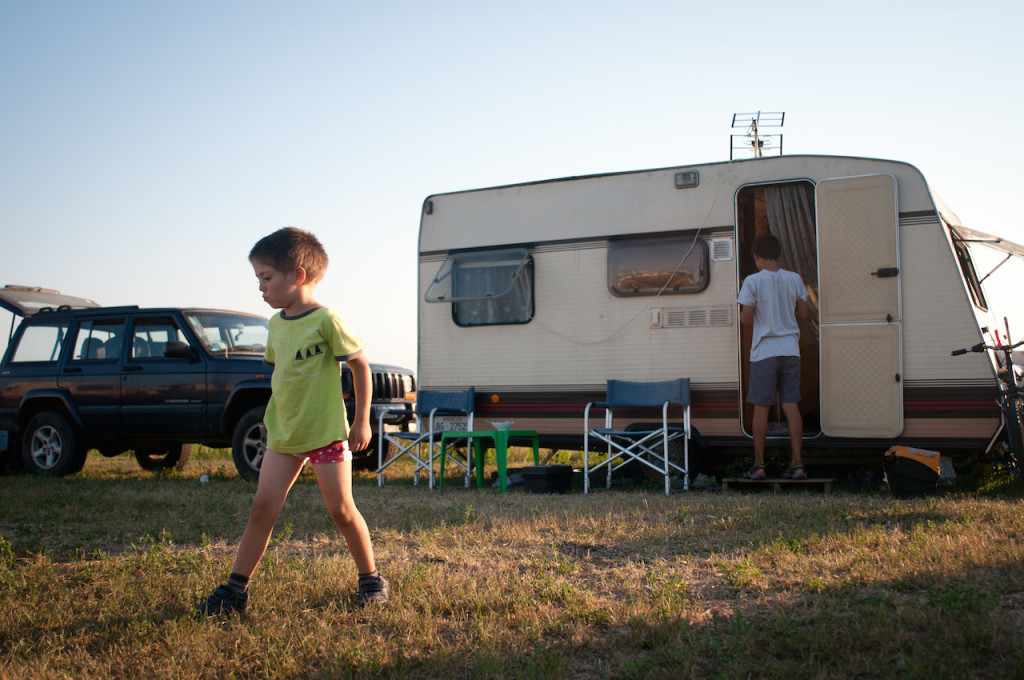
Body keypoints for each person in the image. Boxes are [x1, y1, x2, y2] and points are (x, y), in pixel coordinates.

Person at [197, 227, 388, 616]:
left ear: (297, 275)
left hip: (325, 433)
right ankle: (236, 589)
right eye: (259, 280)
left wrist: (361, 421)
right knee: (262, 507)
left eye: (266, 278)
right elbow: (280, 372)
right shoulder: (276, 325)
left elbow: (360, 365)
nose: (261, 288)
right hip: (284, 434)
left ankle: (371, 578)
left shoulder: (326, 320)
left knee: (341, 511)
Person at [737, 233, 809, 481]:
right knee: (791, 405)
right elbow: (803, 313)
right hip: (790, 349)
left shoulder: (752, 281)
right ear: (779, 255)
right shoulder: (794, 279)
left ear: (756, 257)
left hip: (764, 351)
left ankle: (759, 465)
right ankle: (797, 465)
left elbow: (745, 319)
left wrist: (757, 308)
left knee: (761, 407)